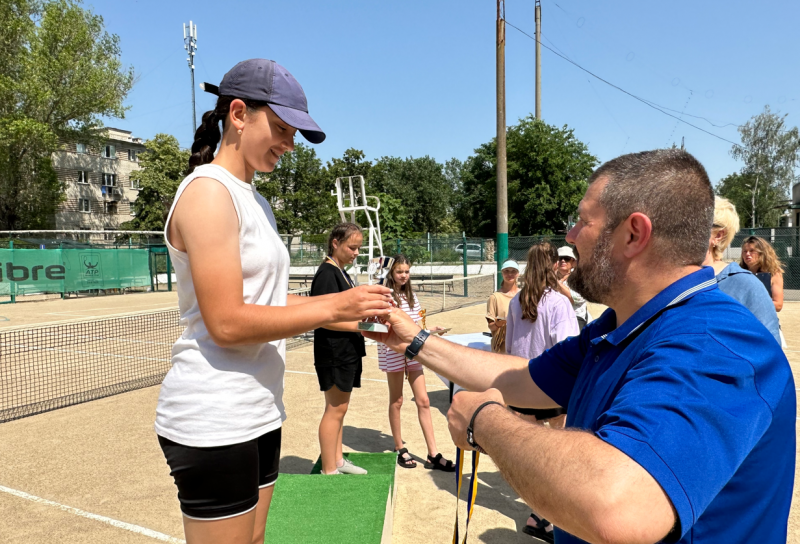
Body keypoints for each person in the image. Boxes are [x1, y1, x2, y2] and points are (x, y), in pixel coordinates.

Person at [367, 149, 795, 544]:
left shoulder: (716, 340)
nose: (570, 236)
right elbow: (521, 378)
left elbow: (617, 506)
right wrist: (414, 339)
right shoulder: (623, 324)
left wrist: (486, 422)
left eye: (582, 221)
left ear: (633, 234)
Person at [155, 60, 392, 544]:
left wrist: (351, 318)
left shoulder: (253, 199)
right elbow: (225, 322)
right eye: (281, 129)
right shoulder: (208, 194)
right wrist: (332, 308)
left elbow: (265, 299)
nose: (288, 144)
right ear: (238, 114)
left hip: (259, 407)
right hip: (214, 415)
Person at [504, 241, 578, 542]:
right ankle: (544, 514)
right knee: (556, 454)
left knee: (533, 455)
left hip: (522, 383)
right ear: (551, 265)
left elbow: (509, 347)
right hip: (551, 384)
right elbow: (568, 346)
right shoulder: (557, 303)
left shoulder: (515, 301)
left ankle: (540, 512)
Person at [311, 223, 378, 476]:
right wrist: (363, 325)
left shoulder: (340, 271)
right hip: (333, 352)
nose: (356, 252)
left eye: (359, 247)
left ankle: (337, 460)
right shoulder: (328, 274)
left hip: (345, 351)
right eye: (352, 247)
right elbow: (324, 318)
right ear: (335, 243)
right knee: (335, 409)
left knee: (340, 408)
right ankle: (329, 469)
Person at [377, 255, 455, 471]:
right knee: (397, 400)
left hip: (414, 352)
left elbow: (417, 327)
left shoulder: (412, 296)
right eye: (399, 271)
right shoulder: (386, 295)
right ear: (391, 272)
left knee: (423, 401)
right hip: (393, 351)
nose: (403, 275)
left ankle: (433, 454)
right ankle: (399, 447)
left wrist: (431, 331)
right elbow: (384, 325)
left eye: (406, 272)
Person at [703, 197, 780, 345]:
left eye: (692, 224)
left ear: (718, 236)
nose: (748, 254)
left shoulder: (747, 285)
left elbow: (769, 356)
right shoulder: (664, 281)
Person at [741, 236, 785, 313]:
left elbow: (778, 305)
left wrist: (751, 304)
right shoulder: (738, 272)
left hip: (765, 321)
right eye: (745, 251)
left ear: (762, 253)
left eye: (752, 250)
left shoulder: (774, 274)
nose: (747, 254)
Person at [486, 260, 520, 353]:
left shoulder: (524, 295)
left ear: (518, 273)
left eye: (513, 271)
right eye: (506, 271)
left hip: (520, 345)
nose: (510, 274)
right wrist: (498, 324)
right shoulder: (494, 297)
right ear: (502, 273)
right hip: (501, 349)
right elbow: (491, 326)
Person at [553, 246, 591, 330]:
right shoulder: (550, 278)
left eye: (567, 258)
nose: (562, 260)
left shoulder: (580, 277)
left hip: (576, 319)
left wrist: (556, 283)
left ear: (573, 262)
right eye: (560, 258)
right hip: (555, 318)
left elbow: (577, 299)